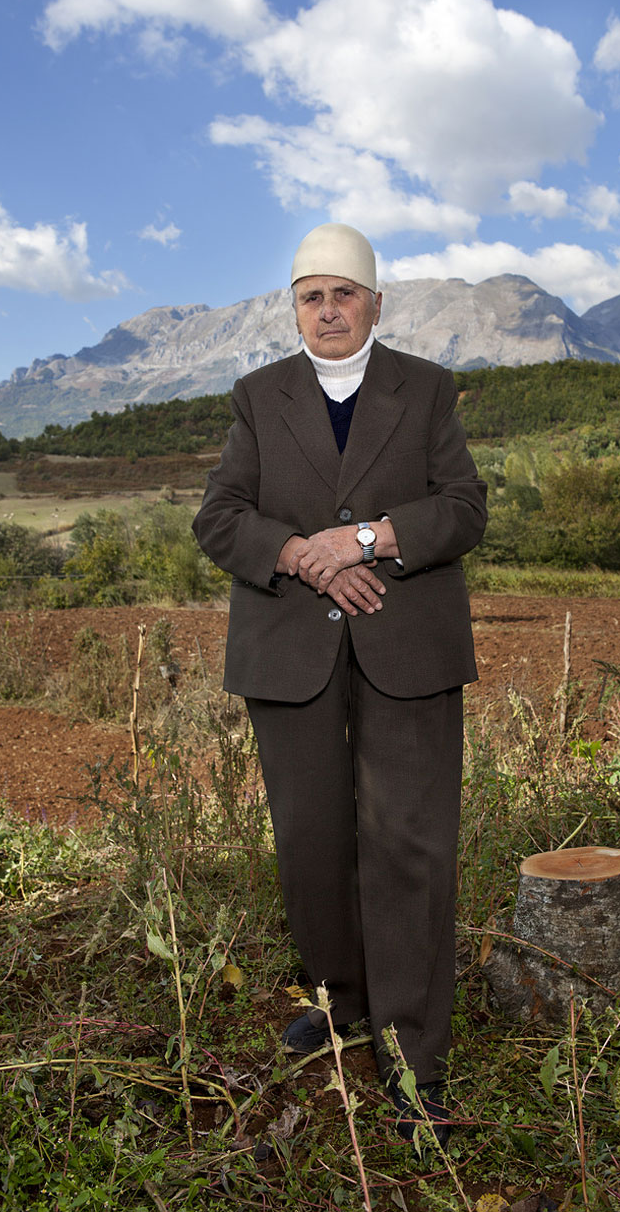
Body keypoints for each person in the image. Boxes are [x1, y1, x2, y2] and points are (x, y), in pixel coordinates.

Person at [192, 222, 487, 1144]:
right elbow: (220, 518)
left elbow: (462, 510)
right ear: (294, 307)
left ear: (374, 303)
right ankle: (341, 999)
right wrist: (306, 558)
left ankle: (411, 1059)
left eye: (343, 293)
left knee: (409, 845)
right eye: (310, 295)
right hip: (291, 655)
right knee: (312, 842)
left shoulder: (426, 389)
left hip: (408, 653)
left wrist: (364, 539)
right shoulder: (256, 396)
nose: (327, 309)